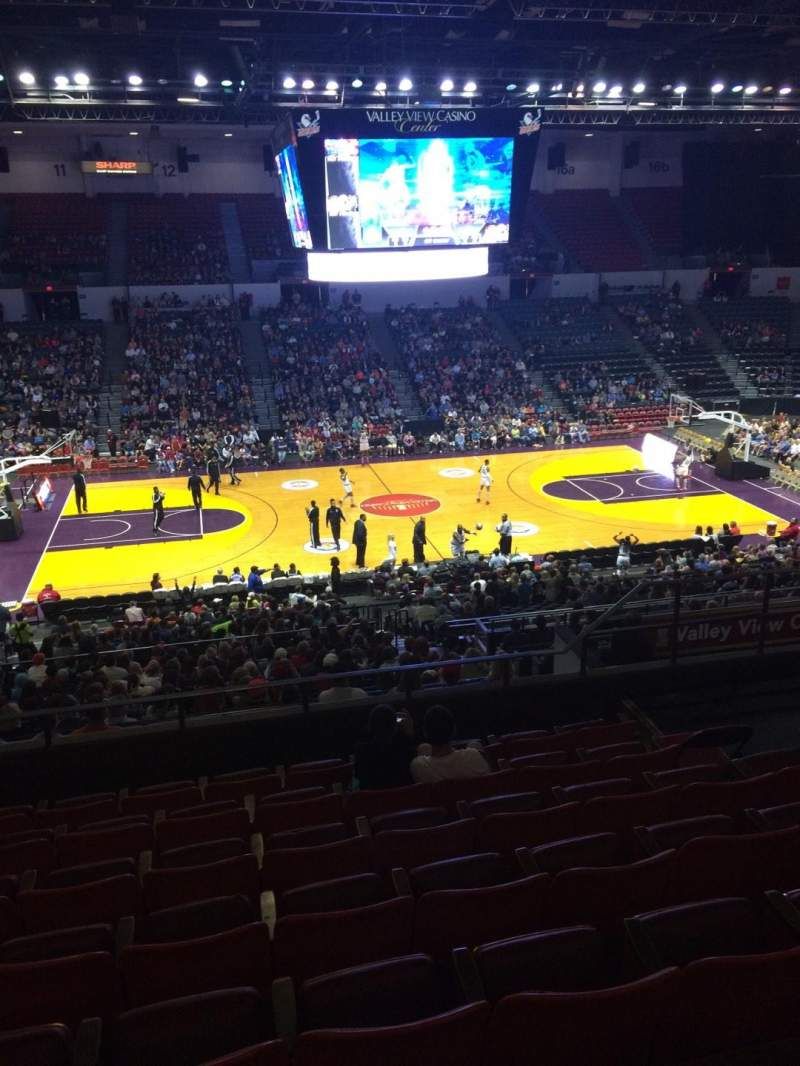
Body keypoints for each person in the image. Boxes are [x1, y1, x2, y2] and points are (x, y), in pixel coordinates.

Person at [410, 705, 490, 783]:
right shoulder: (473, 756)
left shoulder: (419, 766)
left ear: (425, 733)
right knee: (475, 744)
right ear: (454, 729)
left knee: (423, 747)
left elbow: (422, 752)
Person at [354, 704, 417, 790]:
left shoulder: (361, 752)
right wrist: (410, 734)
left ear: (370, 727)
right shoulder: (406, 752)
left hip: (372, 802)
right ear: (395, 728)